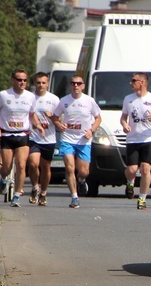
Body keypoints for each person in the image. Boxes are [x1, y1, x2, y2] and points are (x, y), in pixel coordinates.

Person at [51, 75, 102, 209]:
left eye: (79, 83)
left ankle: (81, 180)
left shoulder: (89, 101)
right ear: (70, 86)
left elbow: (98, 118)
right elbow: (55, 117)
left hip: (84, 139)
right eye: (73, 83)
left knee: (84, 171)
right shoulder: (64, 101)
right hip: (68, 138)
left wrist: (92, 130)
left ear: (83, 86)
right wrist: (58, 124)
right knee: (69, 167)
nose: (76, 86)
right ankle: (74, 197)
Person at [120, 73, 151, 210]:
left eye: (133, 81)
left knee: (145, 169)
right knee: (131, 169)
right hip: (132, 139)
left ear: (142, 82)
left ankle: (142, 199)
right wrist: (124, 125)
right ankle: (130, 182)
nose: (131, 83)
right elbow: (123, 117)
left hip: (148, 138)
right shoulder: (128, 99)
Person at [0, 69, 36, 207]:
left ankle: (16, 195)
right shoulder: (3, 95)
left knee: (21, 165)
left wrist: (38, 125)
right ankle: (3, 179)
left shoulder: (30, 97)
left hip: (23, 134)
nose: (22, 83)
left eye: (24, 80)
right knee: (7, 167)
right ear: (13, 80)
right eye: (19, 80)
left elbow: (32, 114)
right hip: (7, 134)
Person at [27, 72, 60, 206]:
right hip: (33, 137)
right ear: (34, 83)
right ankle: (35, 187)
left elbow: (59, 119)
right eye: (38, 82)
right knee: (33, 163)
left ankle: (44, 192)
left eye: (43, 83)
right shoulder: (29, 97)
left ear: (48, 84)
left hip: (48, 138)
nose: (41, 85)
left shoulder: (54, 99)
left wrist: (52, 116)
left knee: (45, 167)